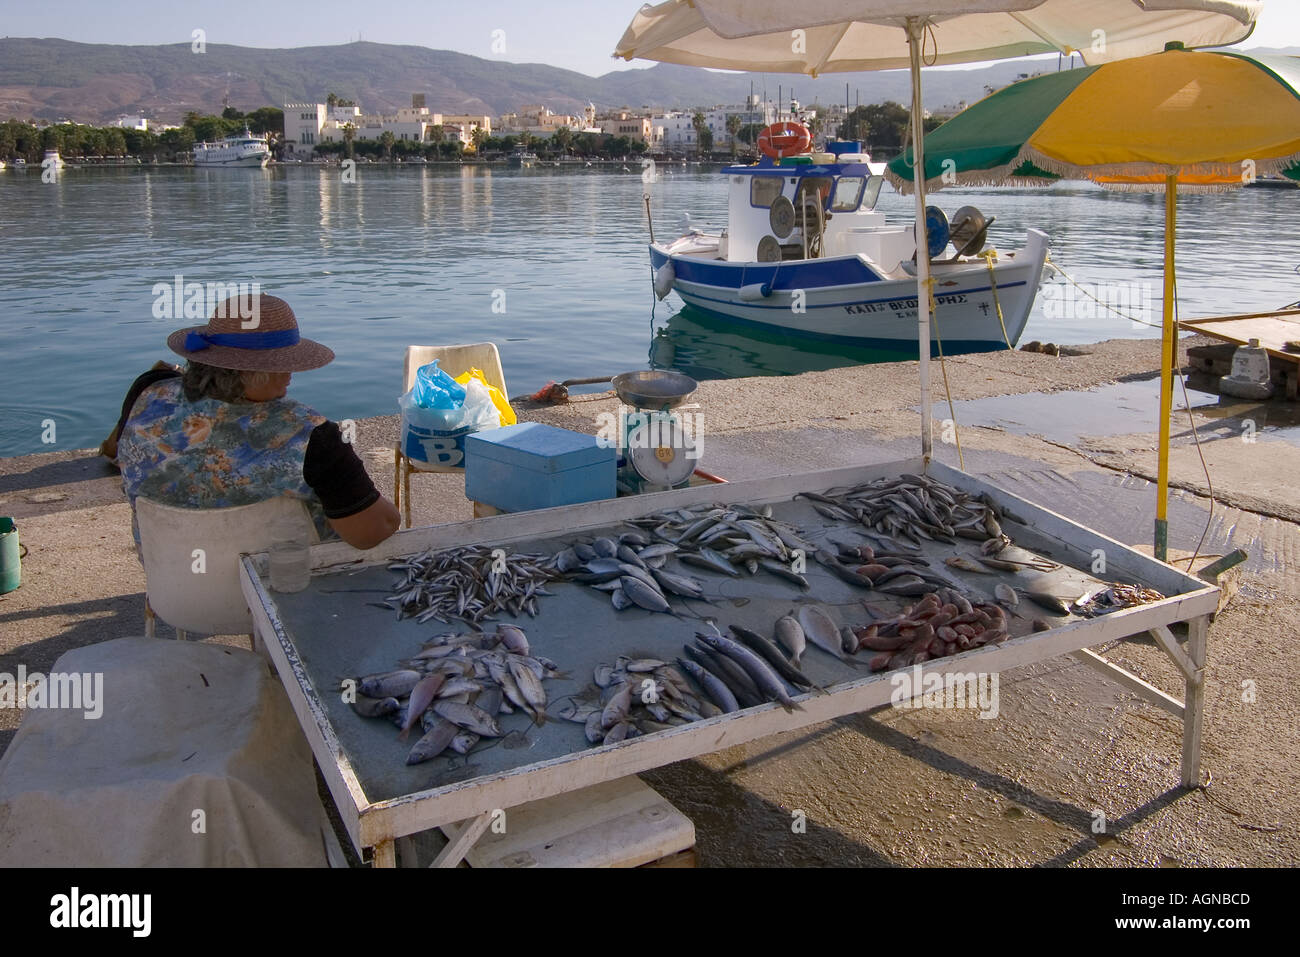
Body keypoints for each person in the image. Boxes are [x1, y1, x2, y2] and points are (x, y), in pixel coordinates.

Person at [117, 292, 400, 550]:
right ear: (262, 370)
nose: (292, 372)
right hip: (289, 598)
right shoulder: (312, 436)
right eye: (286, 362)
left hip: (173, 599)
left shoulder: (148, 390)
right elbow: (372, 533)